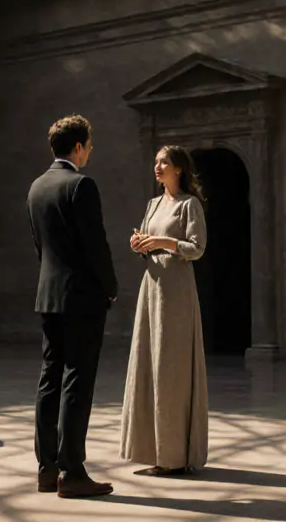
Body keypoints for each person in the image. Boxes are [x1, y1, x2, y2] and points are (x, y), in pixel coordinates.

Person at [27, 115, 118, 498]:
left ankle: (47, 469)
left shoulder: (36, 187)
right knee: (77, 380)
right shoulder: (81, 185)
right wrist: (110, 287)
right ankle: (73, 471)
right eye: (89, 147)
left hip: (49, 295)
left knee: (50, 378)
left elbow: (41, 247)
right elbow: (95, 245)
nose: (89, 153)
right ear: (78, 147)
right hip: (82, 297)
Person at [120, 145, 209, 476]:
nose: (157, 166)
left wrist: (162, 243)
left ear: (179, 169)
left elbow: (197, 248)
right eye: (156, 161)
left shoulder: (189, 205)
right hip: (152, 288)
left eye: (165, 162)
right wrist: (139, 244)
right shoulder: (153, 204)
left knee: (171, 369)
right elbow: (148, 243)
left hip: (177, 292)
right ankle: (153, 451)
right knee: (150, 365)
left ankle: (174, 456)